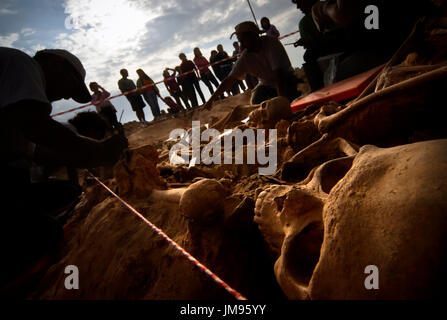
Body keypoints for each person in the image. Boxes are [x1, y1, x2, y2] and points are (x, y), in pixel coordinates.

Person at [0, 47, 128, 289]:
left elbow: (40, 150)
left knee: (68, 196)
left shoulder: (9, 110)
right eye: (68, 88)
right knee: (43, 237)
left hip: (13, 183)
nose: (63, 97)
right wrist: (100, 151)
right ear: (56, 63)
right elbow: (38, 127)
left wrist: (91, 155)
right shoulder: (21, 64)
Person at [203, 21, 302, 110]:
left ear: (253, 36)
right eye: (240, 42)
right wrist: (211, 100)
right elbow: (229, 80)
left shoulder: (271, 43)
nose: (241, 46)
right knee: (256, 102)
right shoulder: (245, 57)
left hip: (286, 79)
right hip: (266, 86)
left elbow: (279, 74)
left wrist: (281, 102)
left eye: (243, 41)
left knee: (291, 100)